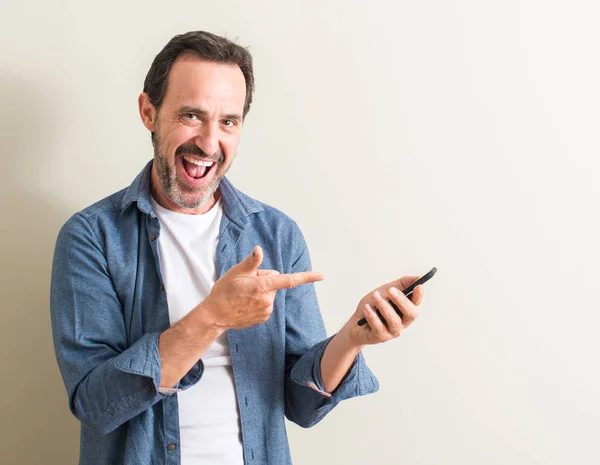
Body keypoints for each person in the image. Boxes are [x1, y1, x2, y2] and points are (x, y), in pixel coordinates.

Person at [50, 30, 426, 465]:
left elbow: (300, 405)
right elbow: (96, 405)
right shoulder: (92, 237)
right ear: (148, 112)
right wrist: (212, 317)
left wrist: (351, 339)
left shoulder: (277, 234)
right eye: (192, 115)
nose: (210, 143)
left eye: (228, 121)